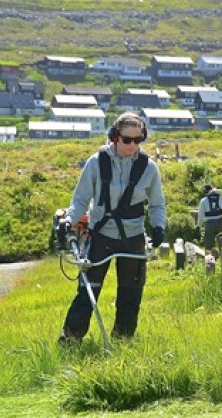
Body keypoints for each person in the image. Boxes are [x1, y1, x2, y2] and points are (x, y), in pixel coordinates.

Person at [58, 112, 166, 343]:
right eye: (128, 140)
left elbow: (157, 204)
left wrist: (159, 227)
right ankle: (70, 339)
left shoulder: (149, 168)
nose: (133, 145)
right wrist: (68, 220)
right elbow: (80, 200)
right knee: (88, 292)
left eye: (139, 140)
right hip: (101, 236)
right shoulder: (96, 163)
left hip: (133, 238)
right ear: (115, 137)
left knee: (131, 296)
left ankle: (122, 341)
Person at [196, 184, 222, 252]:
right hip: (221, 223)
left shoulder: (203, 201)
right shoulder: (221, 198)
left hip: (209, 225)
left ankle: (210, 259)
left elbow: (200, 215)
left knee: (209, 246)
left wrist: (198, 225)